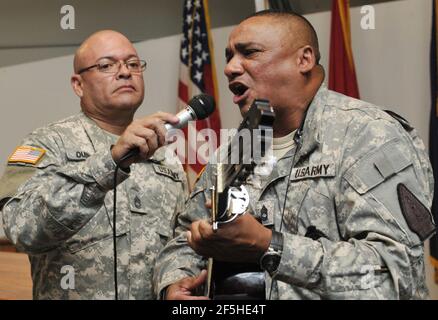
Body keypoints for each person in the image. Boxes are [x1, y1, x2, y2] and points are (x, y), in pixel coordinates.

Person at [153, 10, 436, 300]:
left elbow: (394, 275)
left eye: (249, 53)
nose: (230, 68)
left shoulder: (369, 134)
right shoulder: (237, 148)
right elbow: (186, 236)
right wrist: (175, 282)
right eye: (228, 57)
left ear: (304, 59)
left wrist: (269, 246)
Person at [0, 30, 188, 299]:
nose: (125, 72)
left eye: (133, 64)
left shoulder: (165, 158)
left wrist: (175, 282)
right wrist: (109, 162)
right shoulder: (46, 145)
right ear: (78, 85)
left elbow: (179, 242)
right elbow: (23, 230)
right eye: (107, 65)